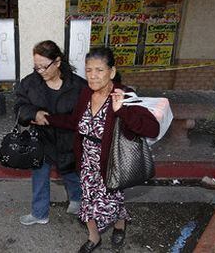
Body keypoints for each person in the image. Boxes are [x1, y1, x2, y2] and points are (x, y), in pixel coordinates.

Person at [34, 47, 159, 252]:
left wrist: (123, 111)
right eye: (89, 70)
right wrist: (47, 118)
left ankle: (119, 223)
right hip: (86, 161)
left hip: (111, 162)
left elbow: (151, 128)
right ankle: (94, 238)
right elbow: (75, 121)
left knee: (111, 200)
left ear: (111, 71)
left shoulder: (123, 94)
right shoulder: (86, 93)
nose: (92, 75)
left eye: (99, 70)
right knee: (88, 202)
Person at [14, 40, 87, 226]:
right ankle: (39, 214)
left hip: (68, 141)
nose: (40, 71)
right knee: (39, 176)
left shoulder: (78, 85)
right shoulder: (30, 83)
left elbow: (86, 114)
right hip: (42, 139)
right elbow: (19, 107)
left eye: (44, 67)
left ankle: (77, 200)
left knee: (70, 174)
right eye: (36, 67)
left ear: (57, 62)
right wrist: (33, 113)